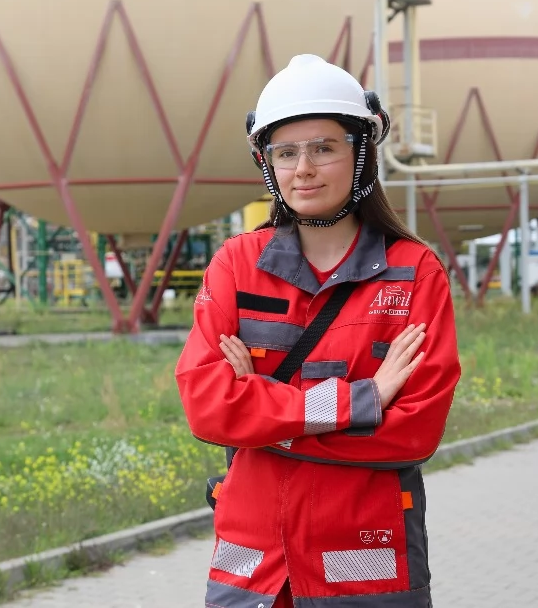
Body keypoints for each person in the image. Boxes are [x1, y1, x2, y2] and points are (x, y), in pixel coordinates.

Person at [174, 54, 462, 608]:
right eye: (286, 152)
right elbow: (207, 407)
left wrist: (258, 417)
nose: (303, 168)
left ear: (359, 155)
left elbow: (414, 431)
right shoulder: (237, 264)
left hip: (366, 568)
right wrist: (364, 400)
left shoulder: (415, 273)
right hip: (252, 571)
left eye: (323, 148)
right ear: (269, 164)